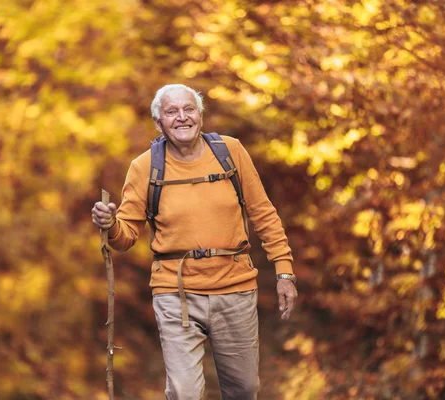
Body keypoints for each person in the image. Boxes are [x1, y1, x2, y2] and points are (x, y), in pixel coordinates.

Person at [91, 84, 297, 400]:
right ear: (158, 123)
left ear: (200, 115)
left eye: (189, 109)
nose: (182, 118)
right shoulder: (144, 167)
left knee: (244, 389)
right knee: (183, 392)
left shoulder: (231, 152)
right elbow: (126, 236)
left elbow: (264, 213)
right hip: (176, 294)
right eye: (171, 112)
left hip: (235, 287)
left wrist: (284, 271)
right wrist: (110, 226)